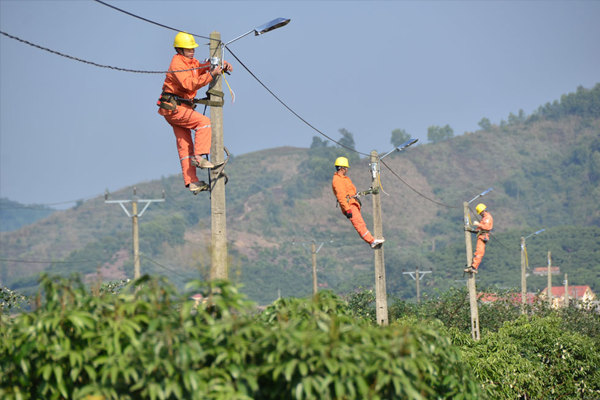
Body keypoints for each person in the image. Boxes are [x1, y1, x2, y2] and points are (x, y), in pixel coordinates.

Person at [157, 31, 232, 194]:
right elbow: (189, 85)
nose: (192, 51)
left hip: (177, 108)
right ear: (179, 49)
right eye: (188, 49)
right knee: (204, 123)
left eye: (193, 49)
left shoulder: (190, 62)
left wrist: (221, 64)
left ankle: (192, 182)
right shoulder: (177, 64)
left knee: (185, 146)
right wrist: (211, 75)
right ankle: (199, 158)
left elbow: (201, 66)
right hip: (174, 108)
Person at [331, 157, 385, 249]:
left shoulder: (344, 179)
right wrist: (347, 209)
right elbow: (341, 196)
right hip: (349, 205)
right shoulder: (337, 180)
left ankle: (372, 240)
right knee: (359, 224)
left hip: (353, 203)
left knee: (361, 223)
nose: (347, 170)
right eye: (346, 168)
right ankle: (371, 241)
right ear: (342, 168)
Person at [464, 203, 493, 273]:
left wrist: (478, 224)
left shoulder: (488, 218)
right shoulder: (484, 218)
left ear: (483, 211)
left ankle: (474, 267)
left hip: (483, 236)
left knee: (479, 252)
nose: (480, 214)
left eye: (480, 213)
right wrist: (471, 230)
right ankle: (473, 266)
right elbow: (479, 229)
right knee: (478, 252)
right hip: (481, 236)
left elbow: (486, 227)